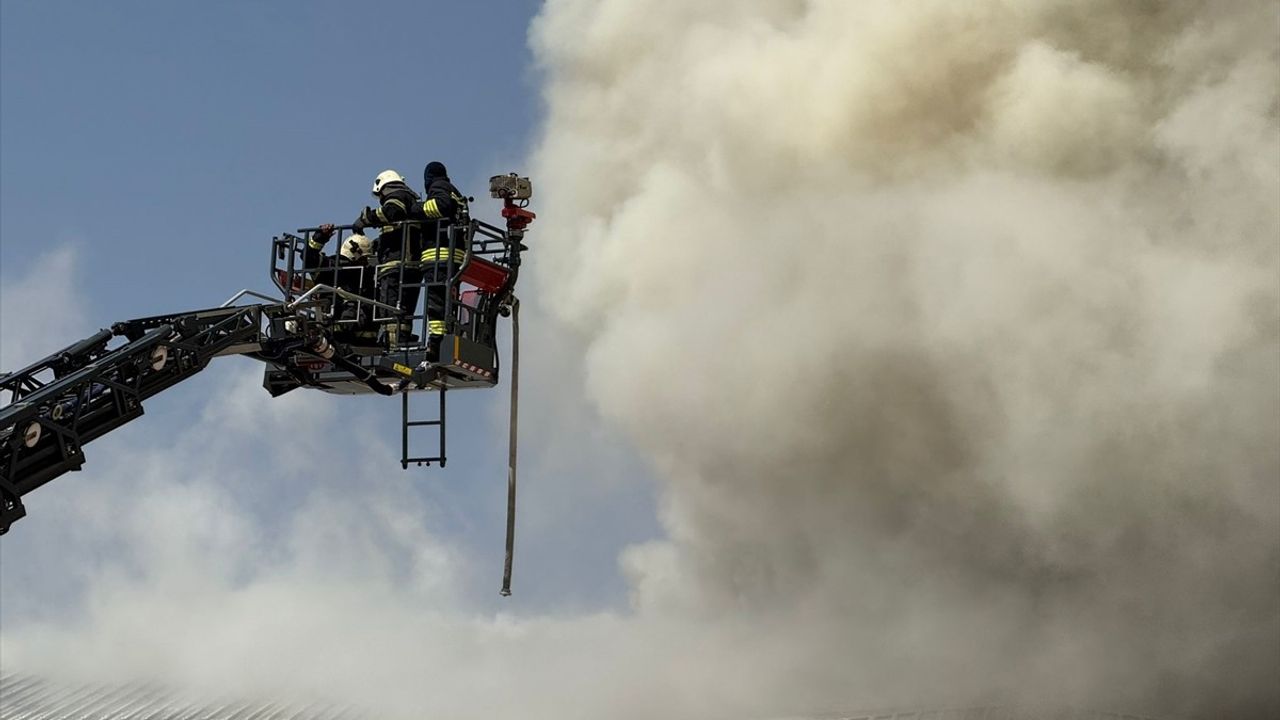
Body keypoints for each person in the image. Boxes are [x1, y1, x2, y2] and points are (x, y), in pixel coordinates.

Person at [352, 170, 423, 346]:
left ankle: (393, 346)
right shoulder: (410, 200)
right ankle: (401, 339)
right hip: (408, 264)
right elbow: (398, 232)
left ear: (383, 187)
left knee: (391, 310)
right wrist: (377, 245)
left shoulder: (397, 196)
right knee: (402, 310)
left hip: (396, 266)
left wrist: (366, 218)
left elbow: (392, 212)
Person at [417, 161, 470, 347]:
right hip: (454, 254)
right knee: (449, 297)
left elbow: (441, 206)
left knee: (436, 298)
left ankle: (436, 340)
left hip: (438, 254)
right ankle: (447, 333)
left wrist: (416, 210)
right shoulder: (455, 191)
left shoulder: (438, 186)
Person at [304, 224, 377, 344]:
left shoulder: (366, 274)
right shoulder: (330, 267)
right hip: (335, 334)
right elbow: (308, 258)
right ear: (354, 254)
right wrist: (320, 236)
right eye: (363, 259)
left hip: (360, 338)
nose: (365, 263)